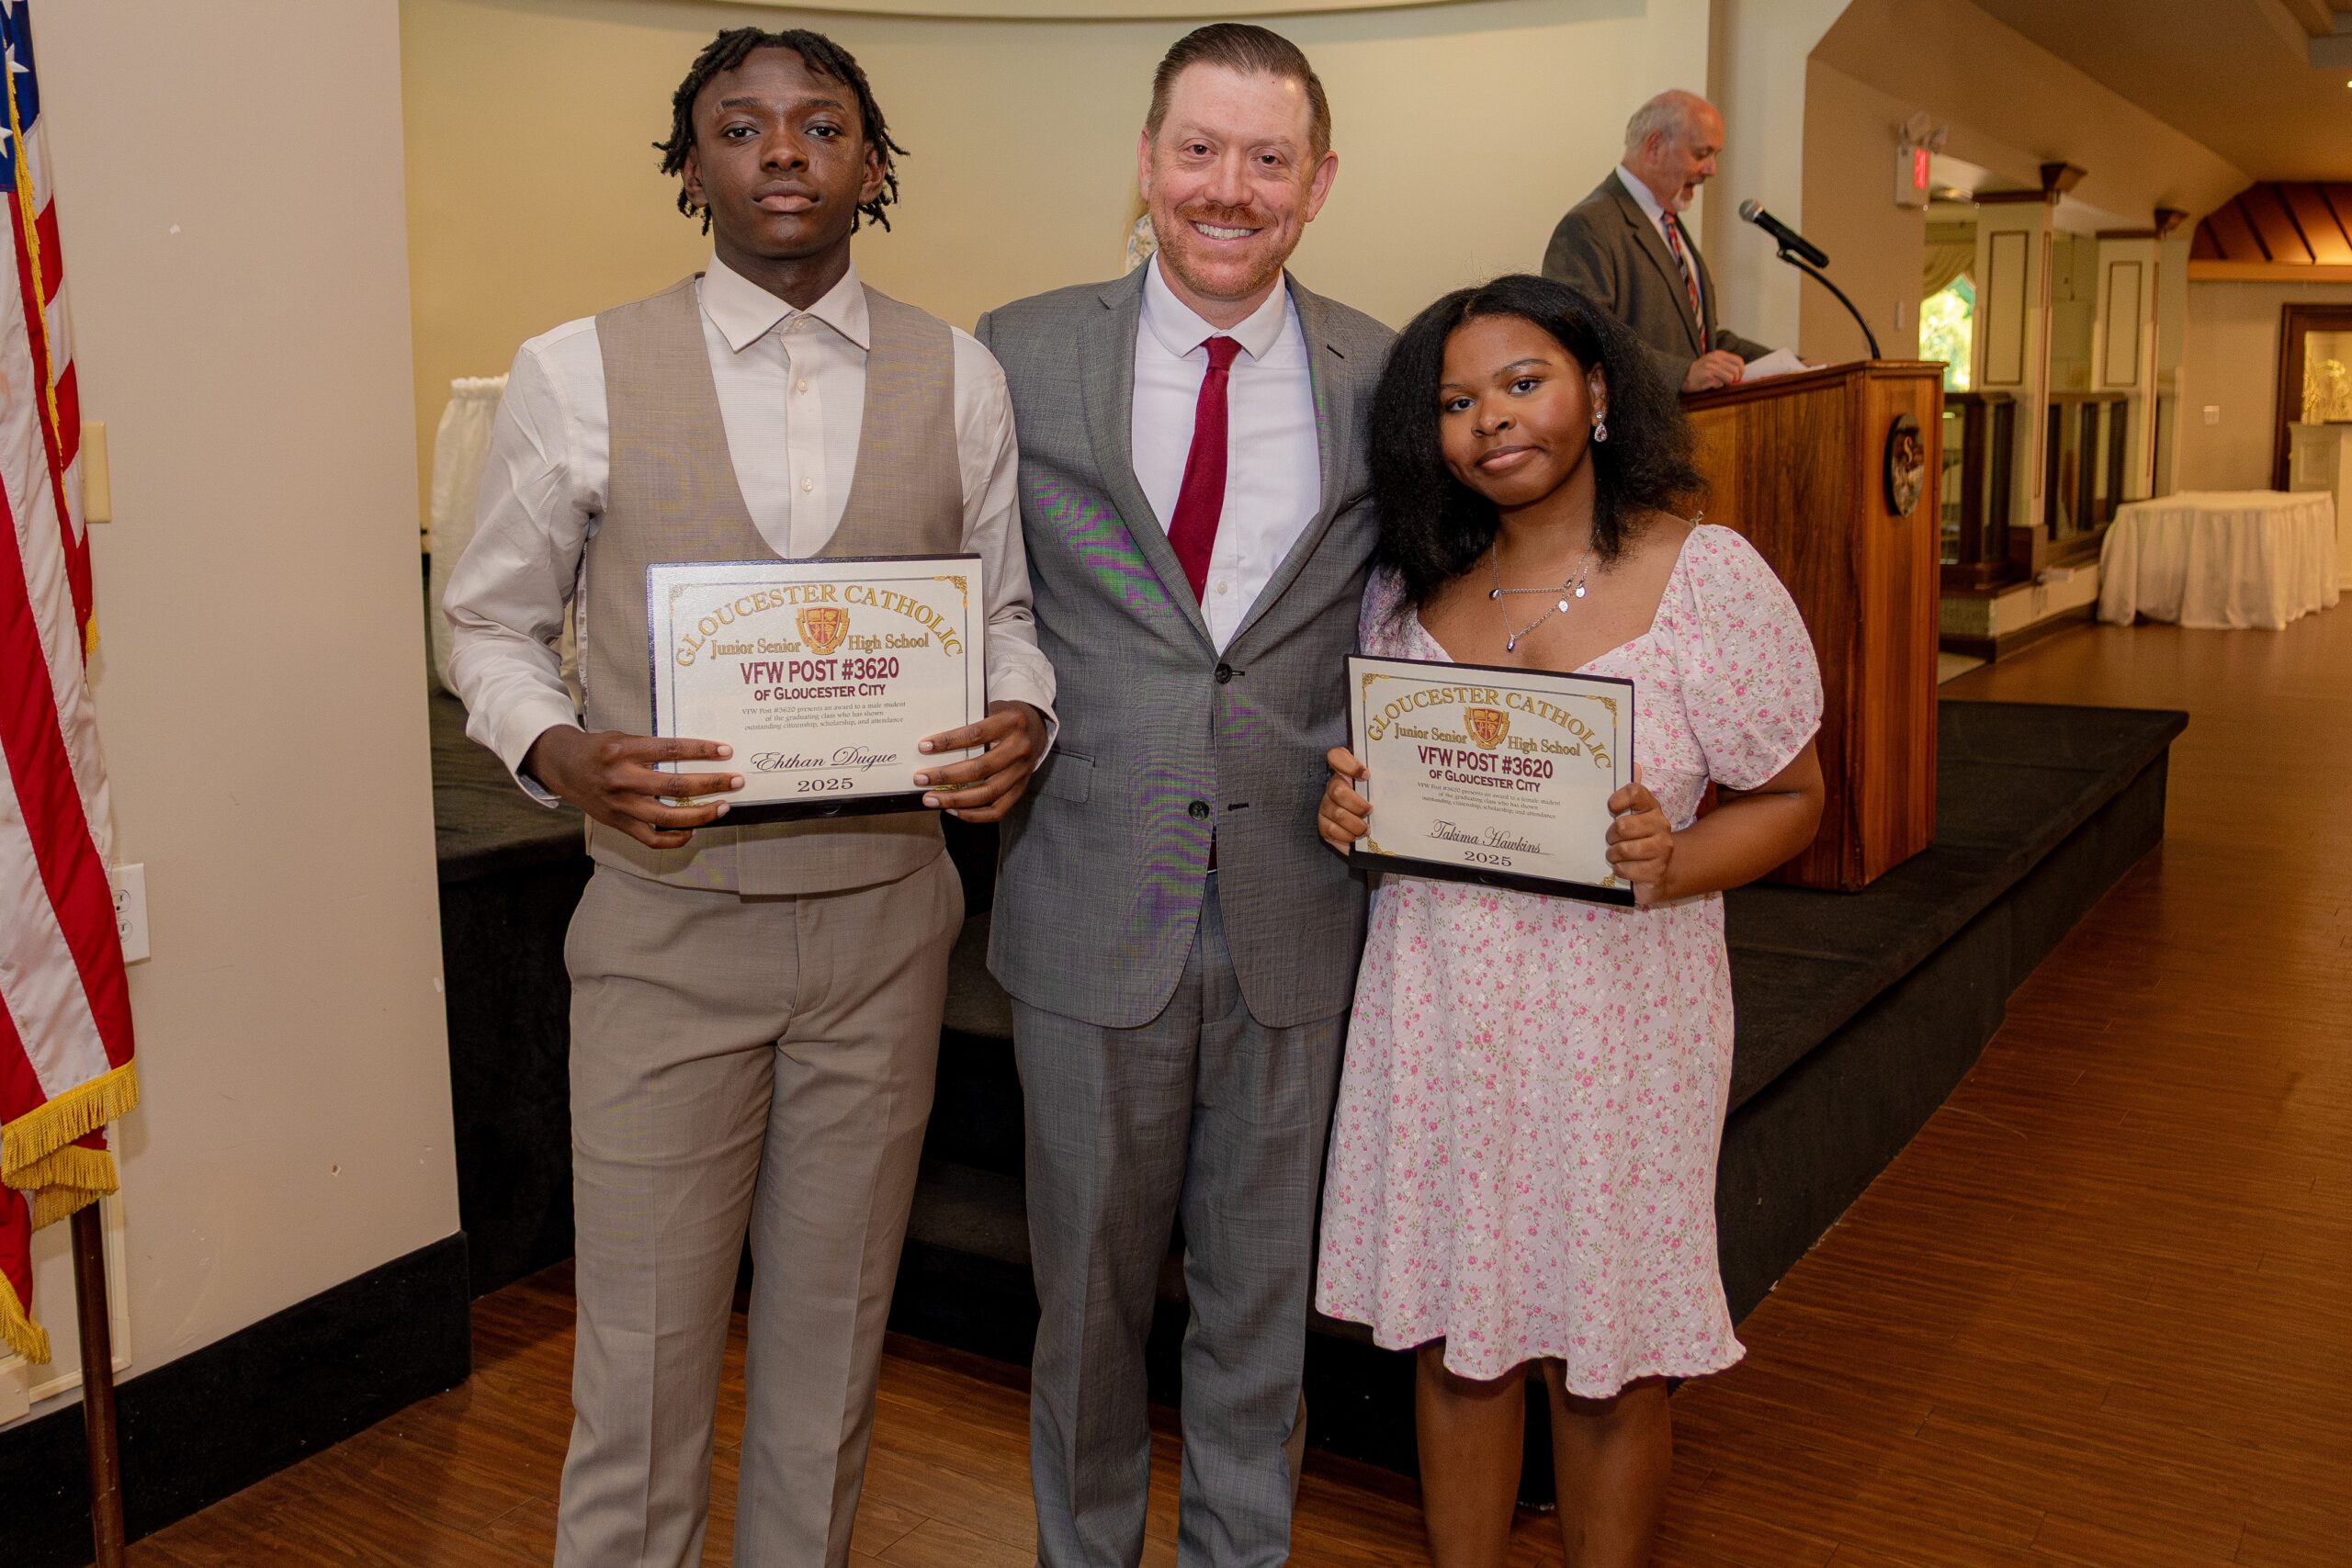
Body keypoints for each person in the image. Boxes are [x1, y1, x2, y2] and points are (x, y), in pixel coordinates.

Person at [441, 27, 1054, 1567]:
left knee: (833, 1354)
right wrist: (559, 749)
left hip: (889, 931)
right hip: (665, 932)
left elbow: (1011, 617)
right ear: (691, 163)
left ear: (872, 162)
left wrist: (1022, 717)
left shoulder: (960, 374)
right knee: (640, 1368)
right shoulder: (571, 372)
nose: (783, 150)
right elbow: (484, 621)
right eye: (741, 124)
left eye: (820, 122)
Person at [1313, 273, 1826, 1568]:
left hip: (1621, 1018)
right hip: (1439, 1004)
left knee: (1609, 1357)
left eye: (1523, 381)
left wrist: (1681, 852)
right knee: (1456, 1332)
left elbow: (1799, 797)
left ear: (1598, 391)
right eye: (1456, 400)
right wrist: (1353, 812)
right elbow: (1391, 786)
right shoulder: (1400, 593)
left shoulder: (1707, 573)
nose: (1492, 418)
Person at [973, 23, 1392, 1568]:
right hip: (1089, 909)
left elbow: (1416, 618)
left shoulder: (1381, 372)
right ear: (1147, 162)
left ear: (1319, 182)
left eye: (1269, 159)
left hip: (1299, 909)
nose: (1232, 188)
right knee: (1082, 1308)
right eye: (1201, 151)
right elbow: (957, 590)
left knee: (1257, 1312)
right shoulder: (1016, 352)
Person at [1542, 90, 1776, 394]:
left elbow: (1702, 342)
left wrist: (1792, 365)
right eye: (1701, 154)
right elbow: (1580, 339)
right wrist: (1681, 374)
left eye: (1714, 156)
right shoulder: (1589, 225)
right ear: (1654, 146)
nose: (1711, 170)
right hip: (1632, 437)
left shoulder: (1669, 224)